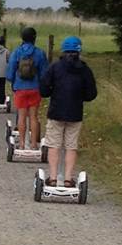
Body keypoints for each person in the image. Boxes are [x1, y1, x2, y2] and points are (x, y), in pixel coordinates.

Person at [37, 35, 97, 185]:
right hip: (75, 113)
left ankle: (53, 177)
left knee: (53, 144)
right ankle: (69, 179)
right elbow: (91, 94)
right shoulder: (84, 69)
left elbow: (43, 89)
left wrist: (53, 92)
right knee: (71, 146)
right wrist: (80, 96)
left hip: (56, 111)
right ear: (79, 51)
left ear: (63, 51)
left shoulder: (55, 67)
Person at [6, 27, 49, 148]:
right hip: (35, 89)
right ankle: (34, 144)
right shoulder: (40, 53)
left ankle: (22, 145)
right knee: (34, 117)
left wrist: (14, 82)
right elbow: (44, 73)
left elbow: (9, 73)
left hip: (20, 88)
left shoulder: (17, 52)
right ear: (34, 38)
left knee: (22, 116)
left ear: (22, 38)